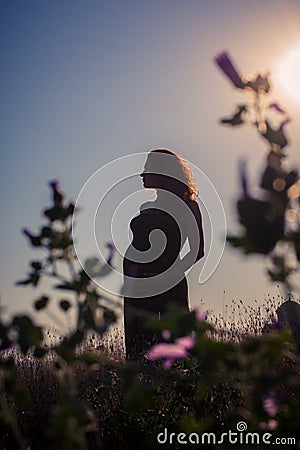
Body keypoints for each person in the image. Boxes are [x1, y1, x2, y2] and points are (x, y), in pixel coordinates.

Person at [123, 148, 204, 359]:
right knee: (138, 348)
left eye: (147, 169)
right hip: (136, 286)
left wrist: (165, 278)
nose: (142, 174)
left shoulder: (189, 206)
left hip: (167, 286)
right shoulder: (146, 206)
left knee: (172, 345)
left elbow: (197, 251)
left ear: (162, 171)